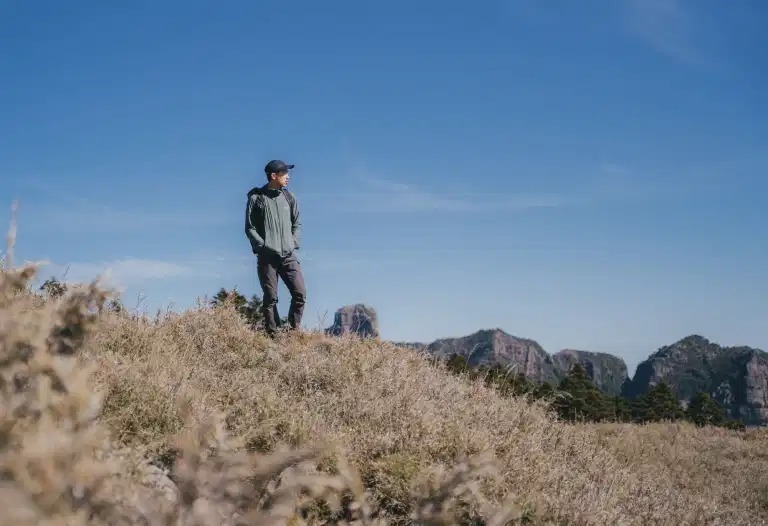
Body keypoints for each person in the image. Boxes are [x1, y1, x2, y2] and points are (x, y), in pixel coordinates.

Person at [244, 159, 306, 337]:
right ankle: (274, 335)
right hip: (267, 257)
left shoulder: (289, 197)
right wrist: (262, 246)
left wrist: (293, 242)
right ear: (273, 176)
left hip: (289, 256)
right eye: (284, 173)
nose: (288, 177)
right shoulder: (257, 198)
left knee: (300, 294)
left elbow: (297, 224)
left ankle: (293, 334)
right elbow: (249, 228)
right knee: (270, 298)